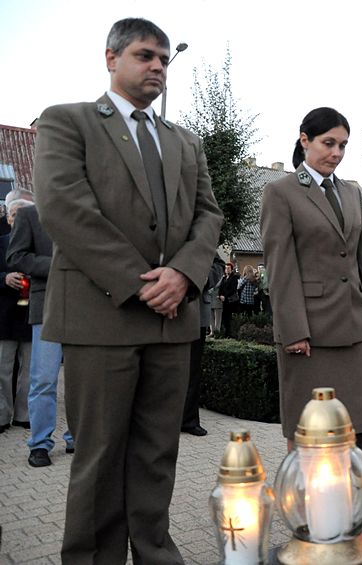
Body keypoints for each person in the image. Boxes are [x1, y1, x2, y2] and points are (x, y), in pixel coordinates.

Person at [33, 18, 223, 563]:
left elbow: (208, 215)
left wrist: (184, 274)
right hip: (102, 316)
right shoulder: (67, 122)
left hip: (172, 321)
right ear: (111, 58)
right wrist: (145, 284)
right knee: (99, 456)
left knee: (157, 455)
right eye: (146, 56)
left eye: (165, 59)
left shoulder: (184, 141)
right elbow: (66, 211)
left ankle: (156, 552)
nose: (158, 67)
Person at [260, 107, 362, 454]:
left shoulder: (350, 192)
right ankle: (302, 504)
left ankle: (350, 502)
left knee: (355, 427)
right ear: (305, 141)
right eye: (328, 143)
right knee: (309, 431)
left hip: (355, 330)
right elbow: (280, 266)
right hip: (309, 334)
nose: (336, 153)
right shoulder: (281, 192)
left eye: (343, 145)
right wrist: (293, 330)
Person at [6, 189, 75, 467]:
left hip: (84, 310)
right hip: (46, 307)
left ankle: (77, 438)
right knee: (43, 380)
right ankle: (40, 443)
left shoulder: (85, 214)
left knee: (81, 382)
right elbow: (16, 257)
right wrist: (58, 265)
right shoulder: (28, 215)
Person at [0, 191, 33, 434]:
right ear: (8, 218)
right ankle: (2, 415)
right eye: (13, 214)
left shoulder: (37, 245)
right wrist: (4, 277)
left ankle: (23, 415)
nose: (16, 218)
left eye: (21, 214)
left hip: (30, 316)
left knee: (30, 370)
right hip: (4, 316)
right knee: (3, 368)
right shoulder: (0, 242)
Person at [181, 256, 225, 437]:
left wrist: (204, 278)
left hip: (197, 313)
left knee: (193, 370)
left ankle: (189, 420)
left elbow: (218, 264)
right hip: (166, 311)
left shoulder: (201, 232)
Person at [218, 262, 240, 337]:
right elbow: (220, 287)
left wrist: (225, 296)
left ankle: (229, 333)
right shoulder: (223, 278)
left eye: (228, 268)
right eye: (226, 268)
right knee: (224, 317)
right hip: (223, 300)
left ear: (231, 269)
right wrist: (220, 295)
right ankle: (224, 332)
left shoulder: (234, 278)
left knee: (229, 317)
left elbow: (233, 289)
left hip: (230, 301)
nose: (227, 270)